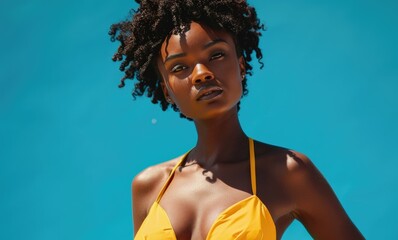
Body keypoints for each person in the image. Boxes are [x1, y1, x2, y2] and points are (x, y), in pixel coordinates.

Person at [109, 0, 364, 239]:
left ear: (241, 66)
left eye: (216, 55)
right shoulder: (149, 186)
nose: (201, 74)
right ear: (167, 90)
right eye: (179, 67)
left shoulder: (287, 172)